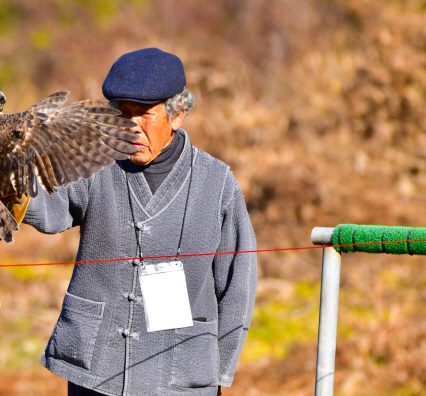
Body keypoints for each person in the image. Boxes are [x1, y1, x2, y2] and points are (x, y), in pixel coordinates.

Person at [23, 48, 257, 396]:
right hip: (97, 372)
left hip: (180, 376)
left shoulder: (217, 183)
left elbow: (238, 288)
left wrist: (218, 375)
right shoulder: (94, 164)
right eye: (122, 114)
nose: (131, 125)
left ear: (177, 115)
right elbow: (50, 211)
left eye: (145, 114)